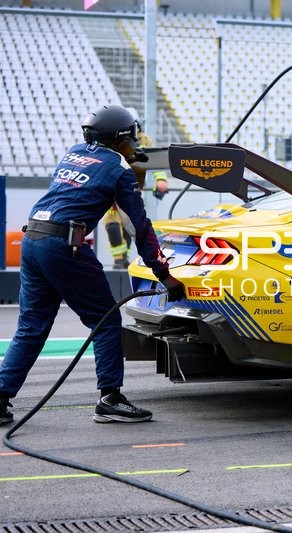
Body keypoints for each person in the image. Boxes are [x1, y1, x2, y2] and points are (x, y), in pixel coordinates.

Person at [0, 104, 186, 427]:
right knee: (106, 319)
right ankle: (110, 397)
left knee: (30, 328)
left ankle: (0, 396)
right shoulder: (118, 168)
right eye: (129, 138)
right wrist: (164, 275)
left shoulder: (73, 153)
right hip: (63, 246)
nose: (134, 144)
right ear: (117, 139)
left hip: (34, 239)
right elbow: (140, 228)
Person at [102, 130, 169, 269]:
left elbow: (153, 158)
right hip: (111, 189)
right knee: (113, 226)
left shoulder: (143, 139)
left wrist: (161, 179)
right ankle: (119, 261)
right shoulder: (107, 138)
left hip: (130, 189)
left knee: (130, 226)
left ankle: (123, 259)